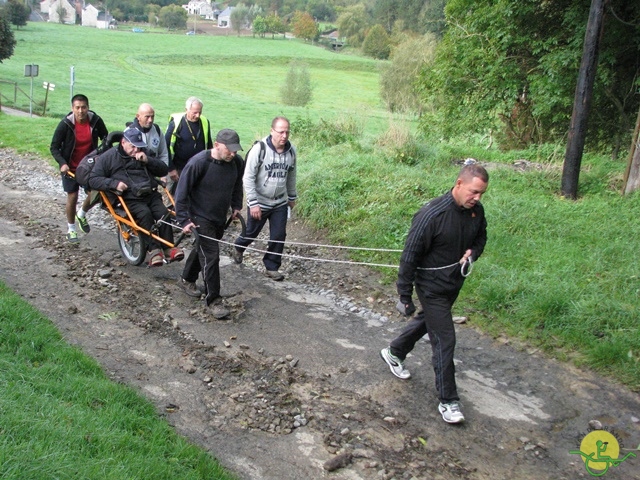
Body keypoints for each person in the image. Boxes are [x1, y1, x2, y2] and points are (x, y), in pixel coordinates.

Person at [380, 164, 489, 424]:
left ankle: (395, 352)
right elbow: (409, 256)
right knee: (444, 338)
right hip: (430, 286)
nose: (477, 198)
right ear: (459, 184)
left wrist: (472, 253)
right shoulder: (431, 215)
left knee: (428, 321)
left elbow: (481, 238)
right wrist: (404, 295)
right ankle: (448, 401)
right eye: (474, 192)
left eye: (482, 193)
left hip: (453, 283)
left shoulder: (476, 212)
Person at [87, 126, 184, 267]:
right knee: (145, 215)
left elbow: (163, 169)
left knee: (163, 213)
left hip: (149, 193)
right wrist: (114, 184)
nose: (136, 150)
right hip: (128, 197)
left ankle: (169, 248)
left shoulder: (143, 153)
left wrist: (148, 161)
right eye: (133, 147)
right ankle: (154, 250)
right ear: (123, 143)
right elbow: (93, 179)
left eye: (139, 147)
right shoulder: (108, 157)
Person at [174, 129, 244, 319]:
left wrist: (236, 205)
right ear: (216, 145)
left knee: (203, 251)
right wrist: (184, 220)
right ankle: (214, 300)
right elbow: (181, 193)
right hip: (199, 217)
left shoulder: (237, 162)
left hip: (219, 216)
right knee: (212, 257)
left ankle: (186, 279)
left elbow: (237, 185)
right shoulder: (198, 163)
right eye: (229, 150)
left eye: (236, 150)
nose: (233, 154)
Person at [232, 117, 297, 281]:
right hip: (259, 201)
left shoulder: (291, 152)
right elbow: (248, 177)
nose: (284, 135)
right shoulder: (259, 149)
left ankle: (272, 266)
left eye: (287, 132)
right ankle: (239, 247)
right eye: (281, 132)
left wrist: (292, 196)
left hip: (280, 201)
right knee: (251, 232)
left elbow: (291, 175)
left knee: (278, 235)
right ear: (272, 131)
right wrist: (253, 203)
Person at [50, 93, 108, 243]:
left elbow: (106, 139)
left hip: (89, 167)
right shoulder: (65, 124)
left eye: (83, 107)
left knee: (96, 194)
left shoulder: (95, 120)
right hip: (70, 167)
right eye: (77, 108)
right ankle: (71, 229)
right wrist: (62, 163)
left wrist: (102, 156)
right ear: (72, 108)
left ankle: (81, 214)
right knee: (72, 196)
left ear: (88, 108)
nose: (80, 111)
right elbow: (54, 147)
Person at [164, 96, 212, 188]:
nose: (198, 115)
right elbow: (165, 147)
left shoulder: (205, 122)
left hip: (197, 168)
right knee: (174, 197)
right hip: (178, 169)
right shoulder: (176, 123)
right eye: (195, 112)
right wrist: (171, 169)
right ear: (186, 109)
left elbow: (209, 145)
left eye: (200, 112)